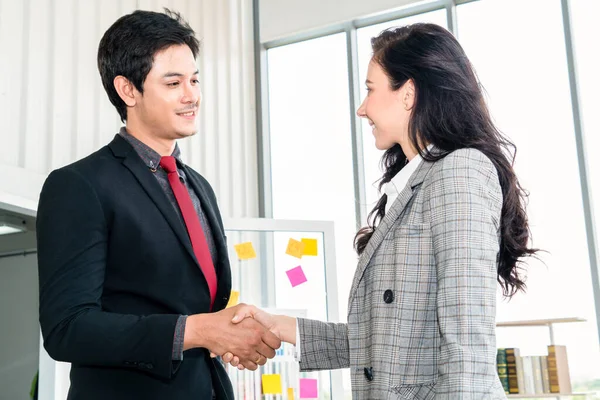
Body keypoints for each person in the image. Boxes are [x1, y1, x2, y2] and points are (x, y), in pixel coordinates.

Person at [219, 23, 537, 399]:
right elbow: (384, 343)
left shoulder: (460, 170)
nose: (362, 108)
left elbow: (466, 333)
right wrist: (276, 324)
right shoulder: (414, 182)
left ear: (408, 94)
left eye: (371, 89)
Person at [36, 9, 280, 400]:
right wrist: (197, 330)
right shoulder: (80, 185)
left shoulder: (199, 186)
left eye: (194, 79)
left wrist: (226, 332)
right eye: (173, 83)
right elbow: (68, 329)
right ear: (128, 90)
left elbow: (193, 302)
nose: (192, 95)